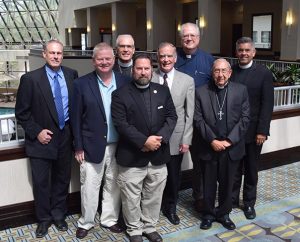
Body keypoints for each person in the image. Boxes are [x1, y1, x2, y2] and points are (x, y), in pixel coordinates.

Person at [15, 39, 78, 238]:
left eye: (59, 53)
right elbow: (22, 113)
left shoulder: (71, 75)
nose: (56, 56)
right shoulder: (30, 79)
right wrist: (37, 132)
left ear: (63, 55)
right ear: (44, 54)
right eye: (52, 53)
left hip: (65, 137)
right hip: (41, 139)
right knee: (42, 183)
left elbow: (75, 108)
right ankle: (43, 220)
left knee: (62, 180)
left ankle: (59, 215)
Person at [111, 54, 177, 242]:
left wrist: (159, 139)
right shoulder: (120, 94)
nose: (143, 72)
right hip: (132, 156)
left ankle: (149, 227)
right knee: (131, 198)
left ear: (151, 69)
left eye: (146, 68)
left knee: (153, 196)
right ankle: (134, 230)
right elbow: (121, 124)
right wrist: (144, 141)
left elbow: (172, 117)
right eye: (139, 68)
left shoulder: (162, 91)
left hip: (158, 154)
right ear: (133, 71)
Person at [71, 42, 130, 239]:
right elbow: (76, 118)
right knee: (89, 185)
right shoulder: (81, 84)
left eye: (108, 58)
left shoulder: (124, 81)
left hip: (119, 145)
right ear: (93, 61)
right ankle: (86, 222)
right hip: (90, 146)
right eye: (100, 59)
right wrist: (78, 146)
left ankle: (109, 219)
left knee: (113, 185)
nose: (104, 62)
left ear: (114, 60)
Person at [193, 58, 250, 230]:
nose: (220, 75)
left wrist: (228, 141)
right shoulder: (201, 91)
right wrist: (212, 140)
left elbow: (245, 118)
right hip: (209, 146)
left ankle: (224, 214)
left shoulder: (241, 90)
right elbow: (198, 119)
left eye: (224, 70)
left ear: (230, 73)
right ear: (212, 72)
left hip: (230, 147)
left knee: (228, 183)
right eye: (217, 71)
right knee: (208, 183)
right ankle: (209, 214)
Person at [152, 42, 195, 225]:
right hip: (153, 137)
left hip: (176, 138)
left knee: (173, 176)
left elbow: (189, 113)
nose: (166, 59)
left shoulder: (187, 80)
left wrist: (186, 139)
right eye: (162, 56)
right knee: (153, 175)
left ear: (175, 58)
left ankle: (171, 207)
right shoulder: (149, 76)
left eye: (169, 56)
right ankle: (153, 208)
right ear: (157, 57)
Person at [231, 37, 274, 219]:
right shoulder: (230, 71)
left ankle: (249, 203)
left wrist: (262, 130)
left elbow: (267, 103)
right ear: (236, 52)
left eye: (247, 50)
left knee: (250, 169)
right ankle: (231, 200)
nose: (244, 53)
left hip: (254, 131)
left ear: (254, 53)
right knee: (233, 169)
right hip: (232, 131)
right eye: (240, 50)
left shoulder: (263, 73)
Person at [175, 22, 214, 212]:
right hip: (176, 120)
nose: (188, 39)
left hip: (199, 121)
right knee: (171, 161)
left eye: (192, 35)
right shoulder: (172, 57)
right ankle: (169, 200)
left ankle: (199, 196)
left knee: (200, 161)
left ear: (198, 38)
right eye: (185, 36)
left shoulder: (208, 60)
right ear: (181, 38)